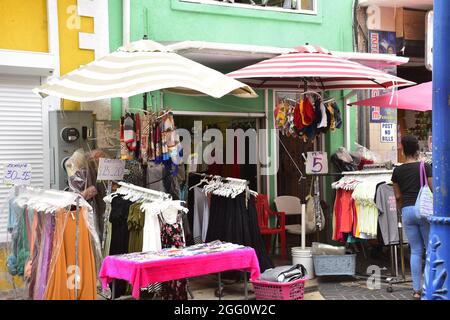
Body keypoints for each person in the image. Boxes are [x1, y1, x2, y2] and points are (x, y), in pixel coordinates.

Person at [392, 135, 432, 300]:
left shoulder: (397, 171)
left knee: (415, 250)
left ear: (403, 149)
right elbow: (432, 188)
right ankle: (430, 286)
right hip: (423, 211)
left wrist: (402, 211)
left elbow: (398, 195)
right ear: (417, 149)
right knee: (430, 250)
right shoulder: (425, 166)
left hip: (407, 211)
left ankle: (416, 290)